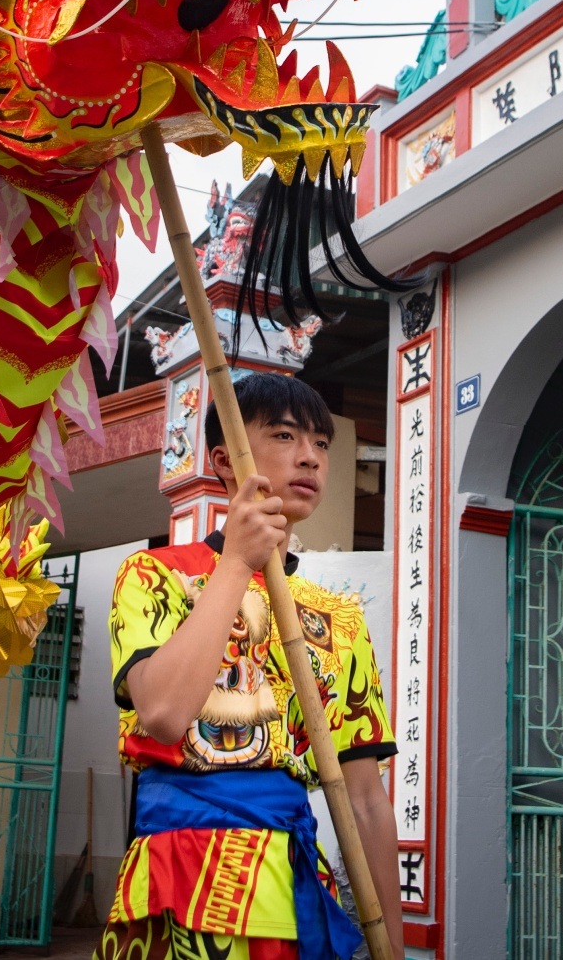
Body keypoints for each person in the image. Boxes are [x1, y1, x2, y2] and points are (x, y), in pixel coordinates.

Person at [99, 373, 404, 960]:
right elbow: (162, 713)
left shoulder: (338, 618)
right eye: (286, 436)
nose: (309, 458)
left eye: (321, 444)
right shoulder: (156, 575)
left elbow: (365, 799)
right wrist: (236, 561)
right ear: (224, 459)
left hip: (294, 884)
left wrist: (389, 942)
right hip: (180, 873)